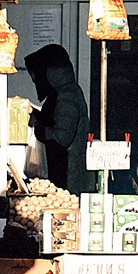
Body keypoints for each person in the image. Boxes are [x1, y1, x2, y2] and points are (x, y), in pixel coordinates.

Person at [22, 44, 88, 189]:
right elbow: (56, 120)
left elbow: (62, 138)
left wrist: (37, 125)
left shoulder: (66, 97)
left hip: (69, 180)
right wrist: (37, 116)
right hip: (63, 174)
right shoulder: (62, 93)